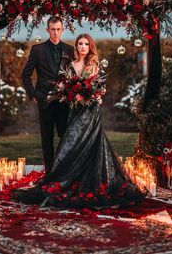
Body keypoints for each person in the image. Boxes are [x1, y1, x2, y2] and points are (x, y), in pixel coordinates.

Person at [15, 34, 144, 208]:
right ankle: (63, 177)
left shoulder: (94, 65)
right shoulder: (69, 65)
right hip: (74, 110)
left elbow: (102, 89)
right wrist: (70, 93)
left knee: (89, 143)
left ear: (90, 47)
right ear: (76, 47)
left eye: (86, 44)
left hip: (90, 111)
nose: (83, 46)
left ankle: (88, 177)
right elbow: (65, 86)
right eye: (80, 44)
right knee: (70, 143)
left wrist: (94, 95)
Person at [21, 16, 74, 173]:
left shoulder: (70, 50)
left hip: (64, 101)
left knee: (65, 138)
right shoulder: (37, 50)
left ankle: (62, 170)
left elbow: (75, 75)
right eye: (53, 29)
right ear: (47, 30)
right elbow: (25, 75)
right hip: (44, 100)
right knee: (47, 139)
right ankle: (50, 172)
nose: (56, 33)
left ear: (62, 30)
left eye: (58, 29)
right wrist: (34, 95)